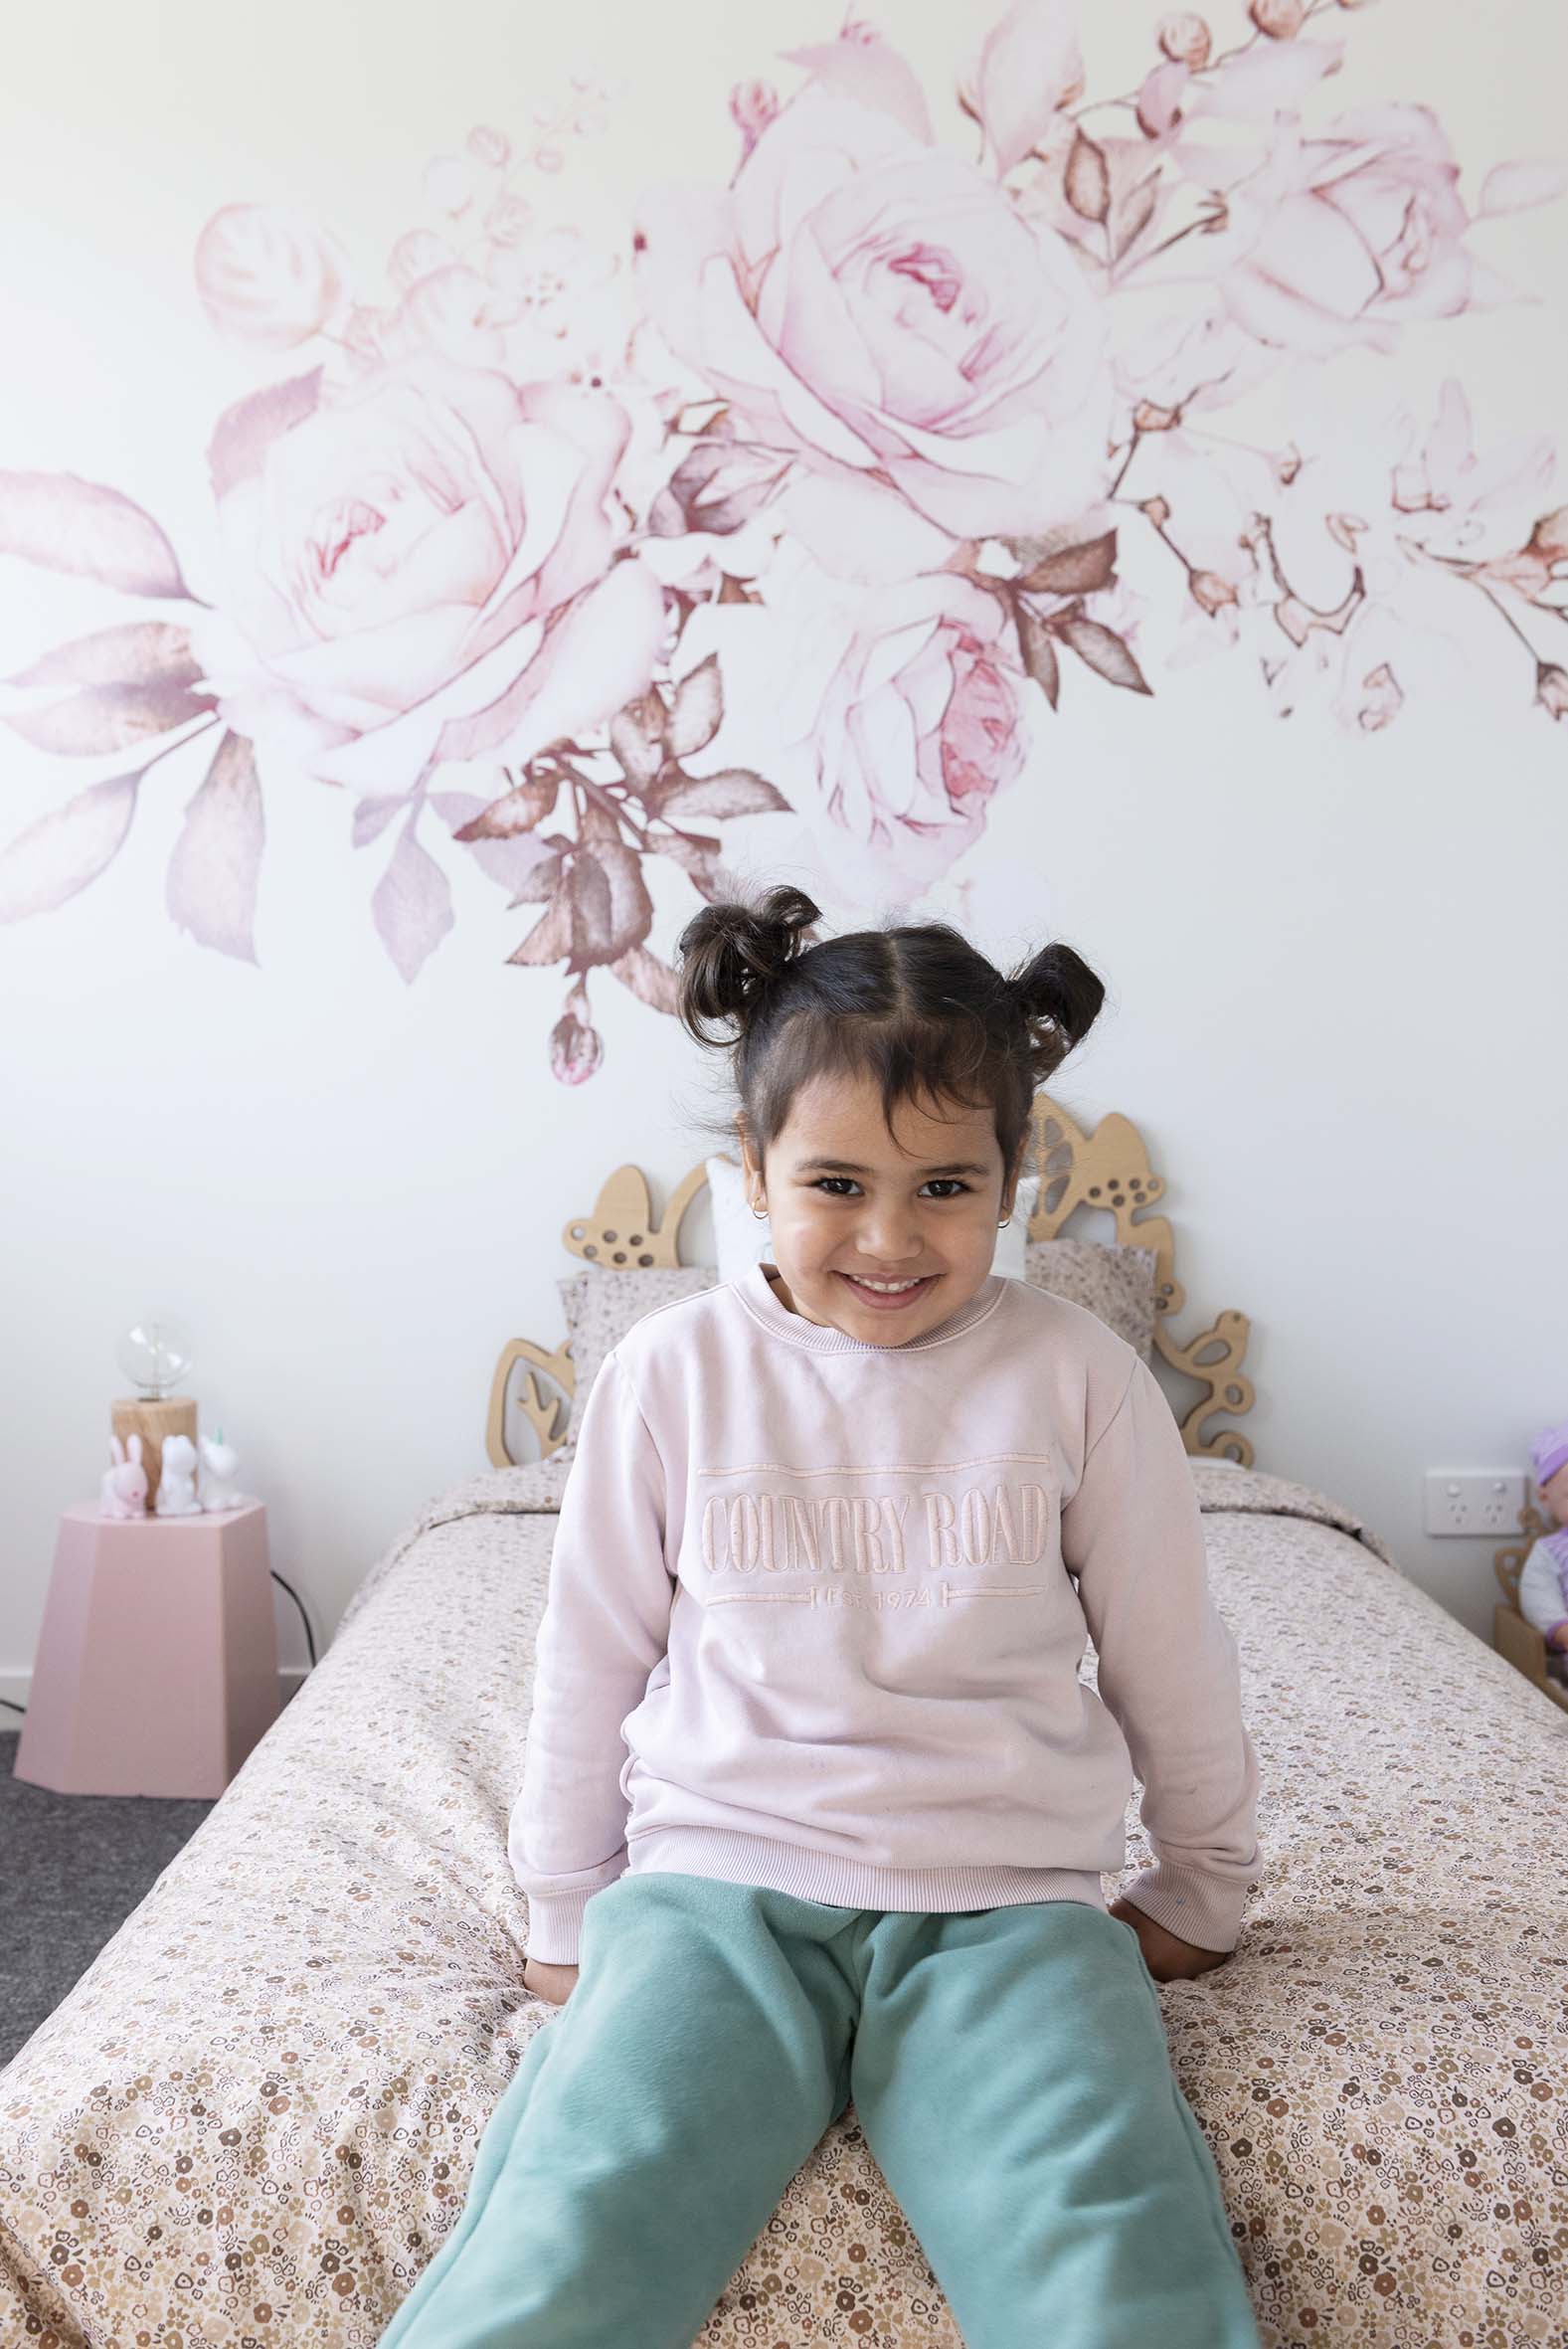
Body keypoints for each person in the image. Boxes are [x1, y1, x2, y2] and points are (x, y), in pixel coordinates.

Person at [377, 884, 1265, 2349]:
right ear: (753, 1168)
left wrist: (1199, 1886)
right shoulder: (667, 1374)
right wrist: (560, 1902)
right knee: (577, 2216)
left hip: (1008, 1900)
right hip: (718, 1881)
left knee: (1110, 2253)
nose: (889, 1238)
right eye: (837, 1184)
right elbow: (590, 1654)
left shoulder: (1081, 1375)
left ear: (1009, 1176)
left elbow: (1170, 1652)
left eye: (944, 1188)